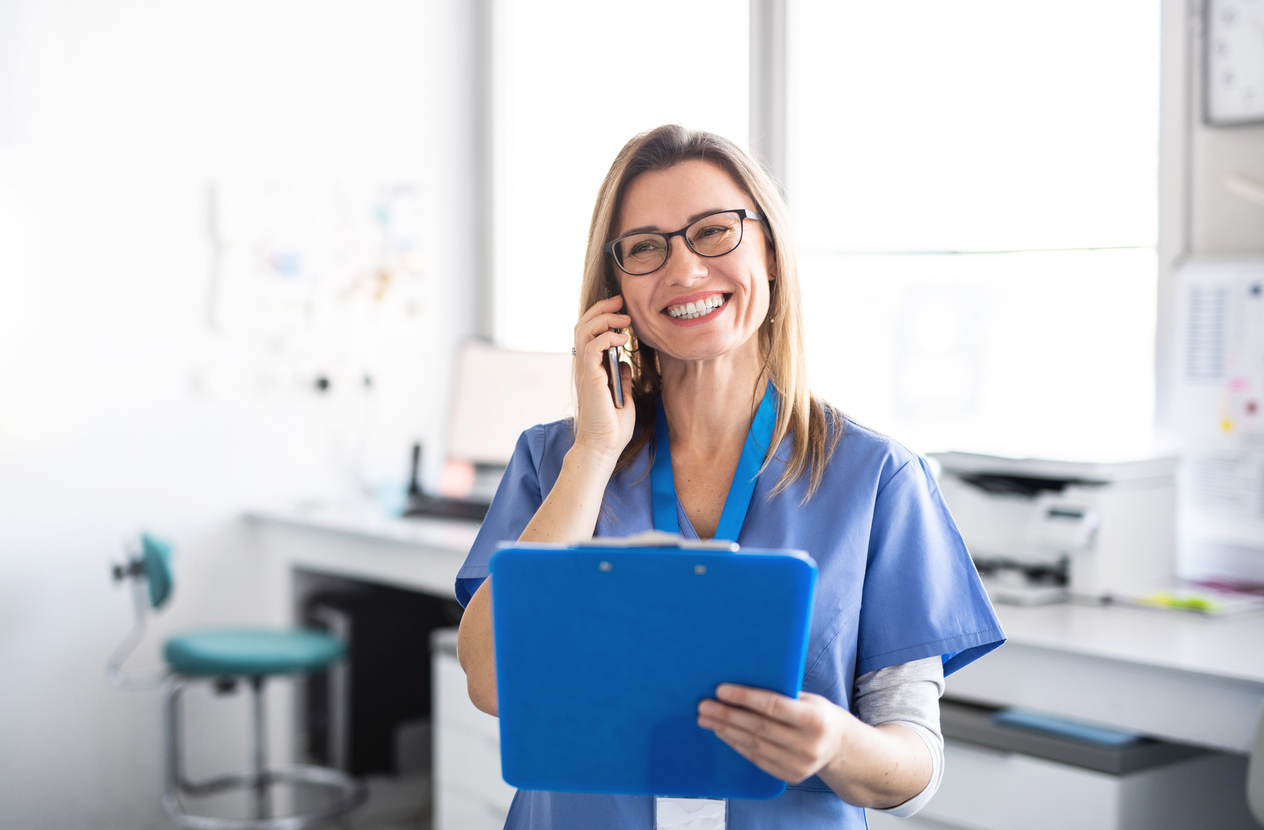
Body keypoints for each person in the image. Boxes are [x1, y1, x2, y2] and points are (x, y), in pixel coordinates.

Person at [454, 124, 1005, 830]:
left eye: (714, 232)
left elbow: (914, 766)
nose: (683, 272)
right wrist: (595, 450)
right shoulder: (556, 462)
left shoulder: (877, 479)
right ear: (616, 288)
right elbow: (493, 680)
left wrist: (835, 742)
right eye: (646, 248)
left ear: (769, 252)